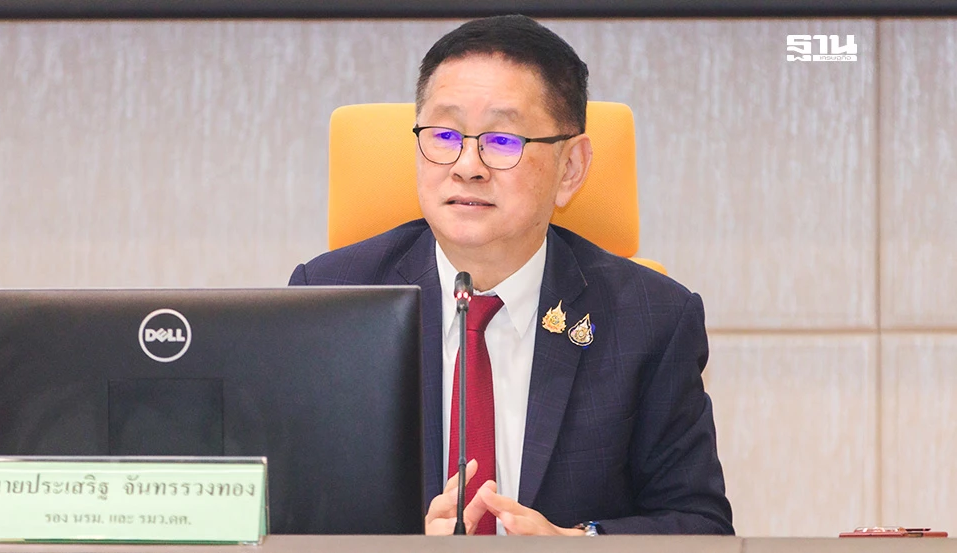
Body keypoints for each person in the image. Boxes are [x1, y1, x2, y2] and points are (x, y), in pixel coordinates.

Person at [290, 14, 733, 536]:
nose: (467, 166)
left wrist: (579, 545)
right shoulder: (330, 302)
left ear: (571, 168)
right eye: (444, 135)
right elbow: (288, 518)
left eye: (502, 141)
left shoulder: (651, 320)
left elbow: (701, 527)